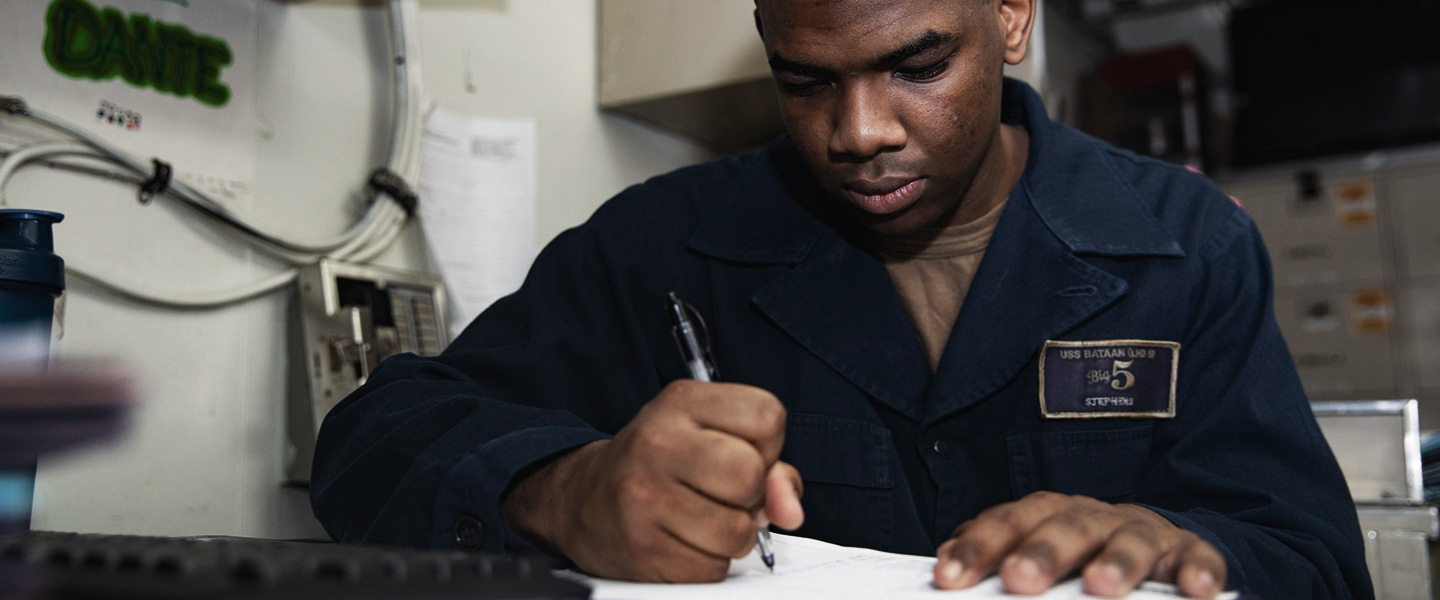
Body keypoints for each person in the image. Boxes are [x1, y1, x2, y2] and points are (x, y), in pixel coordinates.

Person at [309, 1, 1372, 598]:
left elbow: (1317, 561)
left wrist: (1181, 543)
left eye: (916, 65)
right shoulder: (666, 246)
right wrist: (557, 490)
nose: (858, 131)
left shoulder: (1187, 247)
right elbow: (369, 439)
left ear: (1011, 18)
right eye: (807, 80)